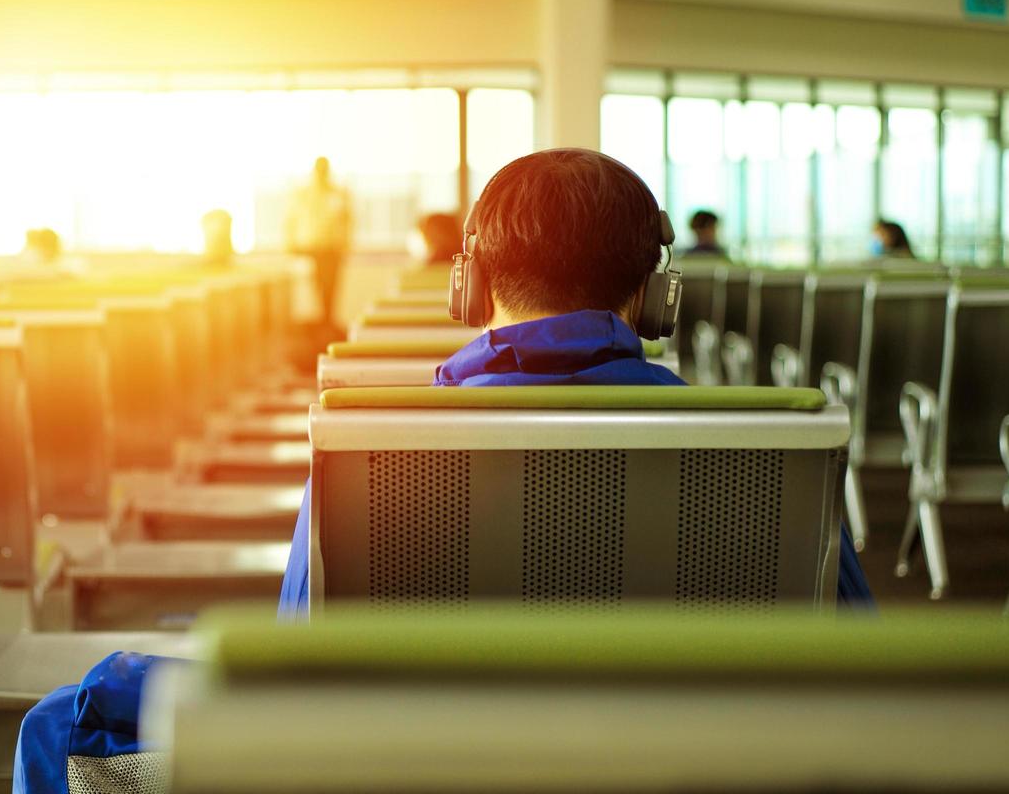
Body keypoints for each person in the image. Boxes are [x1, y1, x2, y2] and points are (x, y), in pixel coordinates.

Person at [278, 148, 874, 615]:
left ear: (472, 285)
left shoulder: (370, 448)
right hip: (709, 764)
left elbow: (303, 646)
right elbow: (852, 647)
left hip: (432, 764)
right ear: (654, 297)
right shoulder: (766, 448)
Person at [283, 157, 352, 330]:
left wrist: (345, 245)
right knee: (316, 287)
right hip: (311, 249)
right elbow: (290, 220)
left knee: (331, 288)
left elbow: (347, 221)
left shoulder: (338, 193)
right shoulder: (303, 194)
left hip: (332, 249)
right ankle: (320, 323)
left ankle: (327, 321)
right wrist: (290, 243)